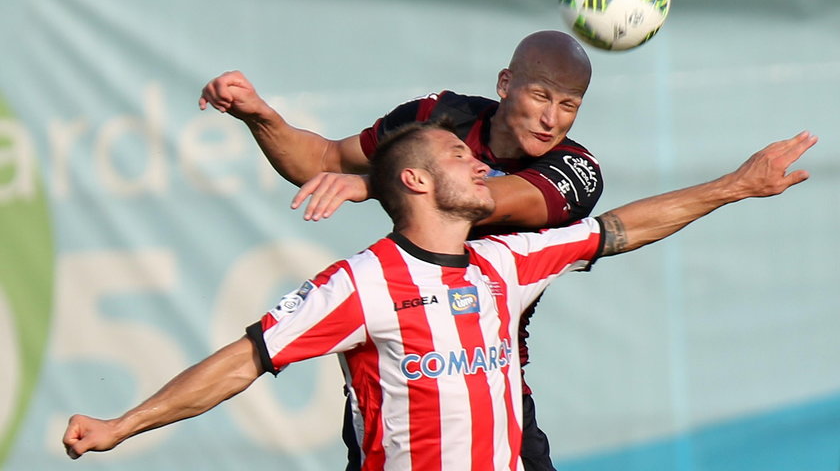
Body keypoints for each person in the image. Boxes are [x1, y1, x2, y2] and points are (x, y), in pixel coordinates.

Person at [62, 121, 817, 470]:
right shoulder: (361, 282)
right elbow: (243, 361)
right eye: (461, 155)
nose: (480, 165)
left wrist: (738, 186)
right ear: (416, 181)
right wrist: (123, 424)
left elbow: (619, 228)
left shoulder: (506, 264)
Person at [199, 30, 602, 471]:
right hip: (398, 385)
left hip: (492, 386)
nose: (551, 119)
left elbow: (485, 199)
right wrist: (260, 116)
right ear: (505, 84)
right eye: (541, 96)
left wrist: (379, 182)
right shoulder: (439, 118)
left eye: (569, 106)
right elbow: (325, 161)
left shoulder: (575, 169)